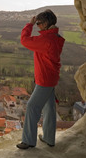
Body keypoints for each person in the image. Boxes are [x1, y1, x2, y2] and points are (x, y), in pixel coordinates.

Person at [16, 9, 65, 150]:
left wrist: (29, 25)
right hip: (51, 77)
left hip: (44, 80)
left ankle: (28, 141)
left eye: (38, 23)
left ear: (45, 23)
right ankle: (49, 138)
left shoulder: (46, 40)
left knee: (32, 107)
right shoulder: (55, 37)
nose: (37, 26)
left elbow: (24, 40)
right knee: (49, 108)